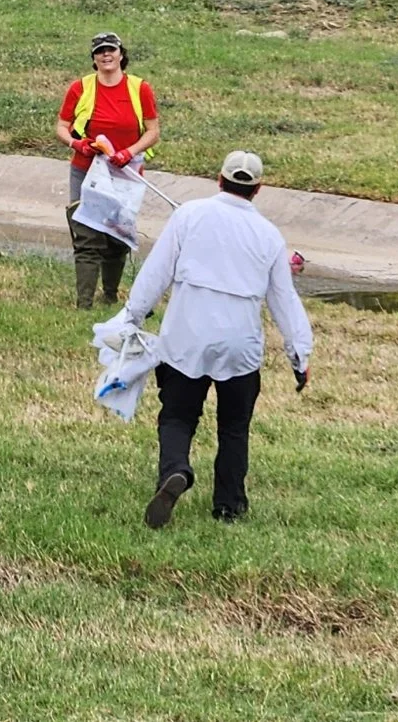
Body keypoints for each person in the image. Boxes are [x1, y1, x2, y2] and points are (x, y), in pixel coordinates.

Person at [111, 150, 311, 528]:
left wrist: (133, 315)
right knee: (234, 427)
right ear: (258, 190)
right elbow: (284, 300)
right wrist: (299, 355)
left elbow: (157, 272)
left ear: (219, 180)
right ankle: (229, 505)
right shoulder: (269, 236)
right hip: (240, 346)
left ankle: (177, 471)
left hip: (186, 337)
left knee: (177, 417)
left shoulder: (188, 215)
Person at [55, 31, 161, 308]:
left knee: (116, 235)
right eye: (100, 51)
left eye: (110, 50)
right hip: (86, 172)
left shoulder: (140, 89)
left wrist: (130, 152)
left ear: (121, 54)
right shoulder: (80, 88)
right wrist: (78, 144)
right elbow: (62, 127)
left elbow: (152, 131)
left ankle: (110, 295)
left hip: (124, 174)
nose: (106, 55)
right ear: (94, 59)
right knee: (87, 235)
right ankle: (84, 303)